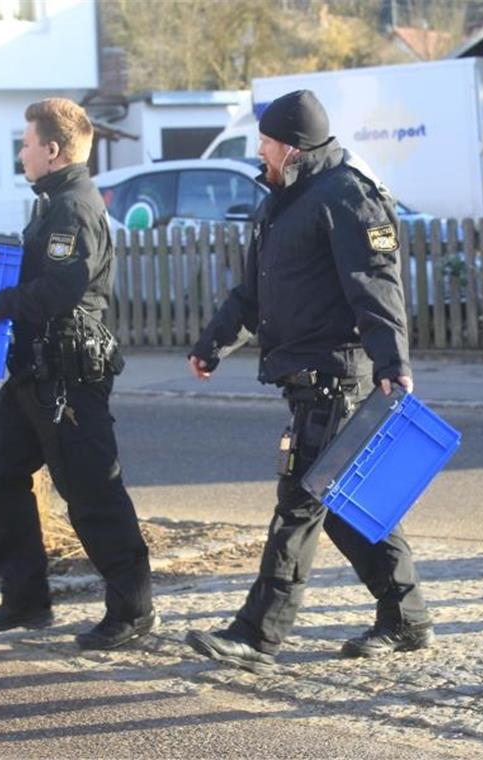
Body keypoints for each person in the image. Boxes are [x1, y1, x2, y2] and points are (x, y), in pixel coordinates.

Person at [183, 90, 434, 674]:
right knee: (345, 504)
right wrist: (212, 345)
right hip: (306, 375)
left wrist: (393, 365)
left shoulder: (347, 195)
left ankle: (258, 634)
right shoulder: (283, 200)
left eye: (266, 143)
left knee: (299, 502)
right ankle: (407, 615)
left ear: (292, 148)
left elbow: (376, 286)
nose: (259, 152)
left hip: (339, 377)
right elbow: (254, 292)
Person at [0, 98, 155, 647]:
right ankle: (25, 602)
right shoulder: (50, 203)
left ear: (52, 149)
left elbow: (64, 288)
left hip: (67, 375)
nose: (20, 152)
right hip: (33, 373)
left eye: (25, 143)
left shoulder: (74, 206)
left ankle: (133, 610)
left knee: (92, 492)